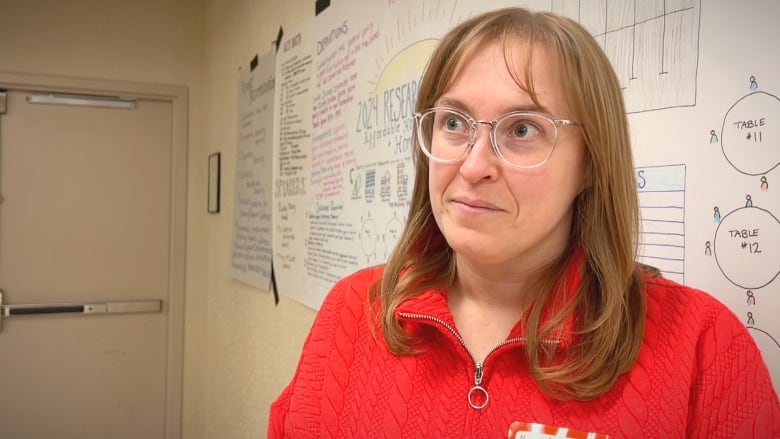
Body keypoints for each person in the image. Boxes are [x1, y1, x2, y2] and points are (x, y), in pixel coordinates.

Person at [269, 7, 780, 438]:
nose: (473, 166)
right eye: (453, 122)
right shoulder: (351, 313)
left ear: (590, 163)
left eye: (522, 129)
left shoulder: (704, 348)